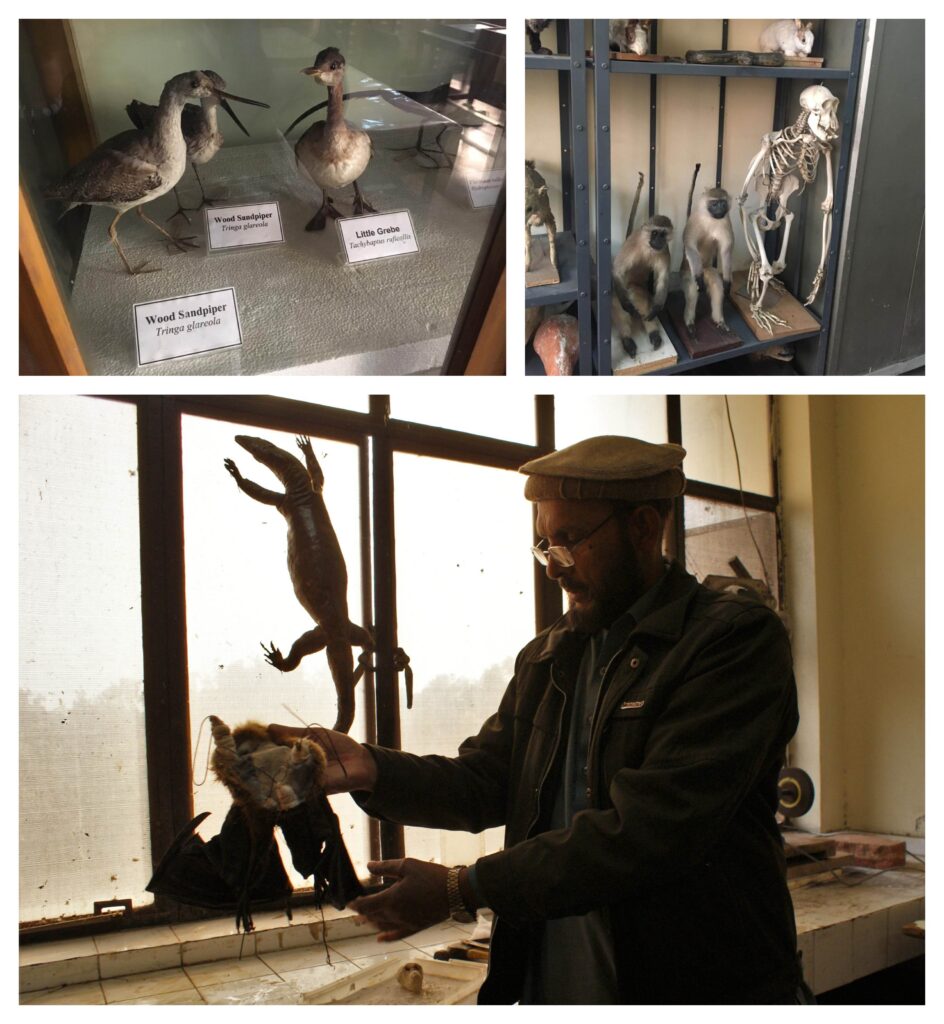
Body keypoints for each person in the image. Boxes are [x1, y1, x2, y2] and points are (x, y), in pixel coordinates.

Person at [269, 435, 806, 1004]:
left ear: (644, 529)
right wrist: (373, 769)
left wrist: (462, 886)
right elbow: (487, 782)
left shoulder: (729, 642)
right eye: (544, 546)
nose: (554, 569)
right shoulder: (551, 656)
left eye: (569, 543)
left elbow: (649, 831)